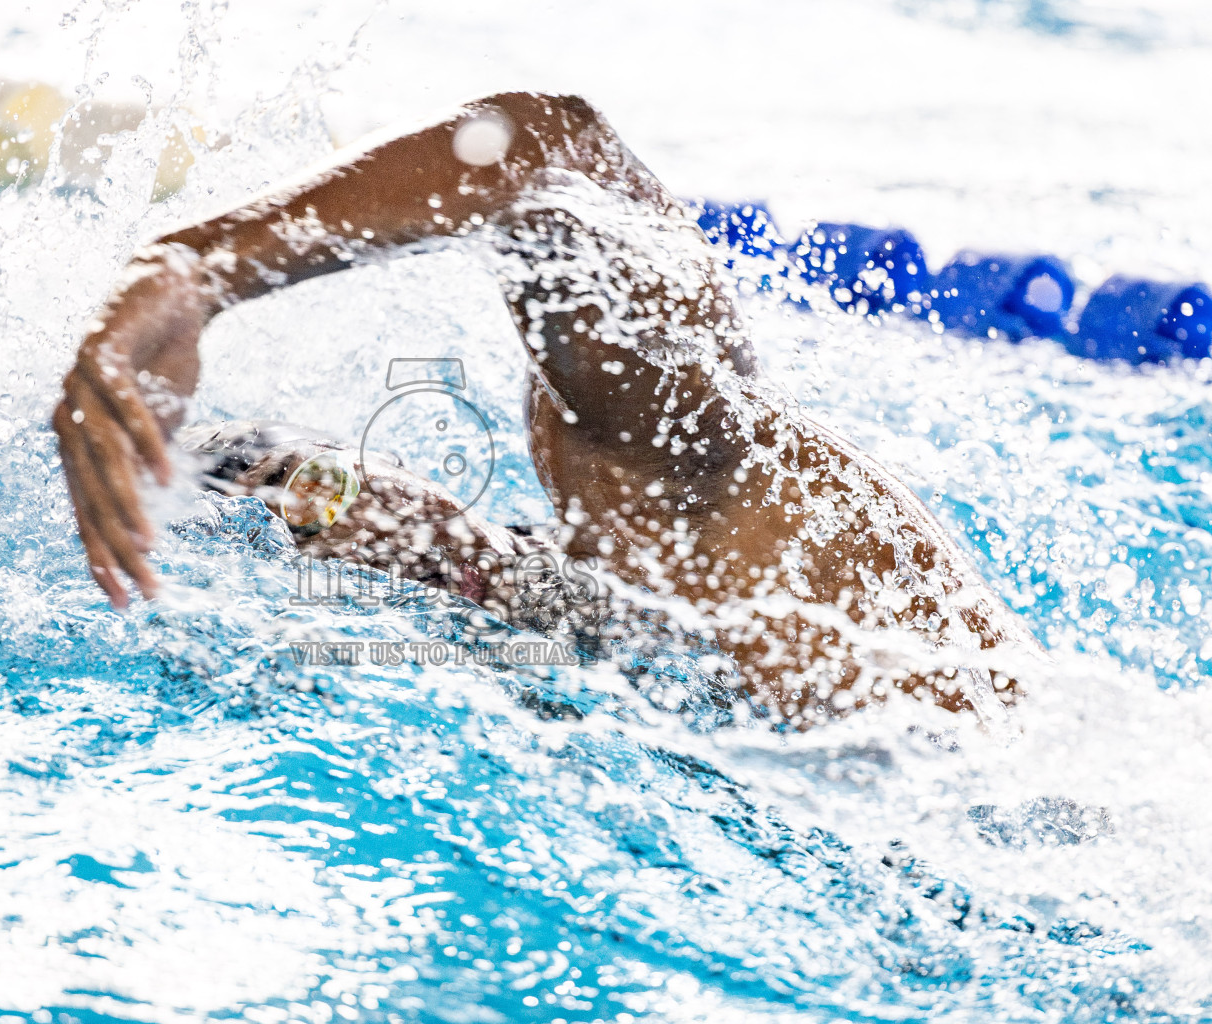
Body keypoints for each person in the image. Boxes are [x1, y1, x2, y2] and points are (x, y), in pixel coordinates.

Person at [52, 91, 1038, 726]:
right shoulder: (617, 581)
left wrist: (193, 272)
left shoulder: (655, 447)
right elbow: (466, 558)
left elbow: (545, 141)